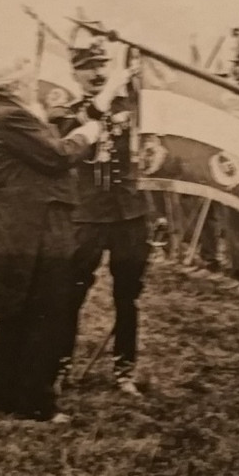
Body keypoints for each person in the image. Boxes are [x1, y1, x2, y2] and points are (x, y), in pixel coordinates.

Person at [0, 57, 108, 423]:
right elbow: (57, 156)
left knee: (18, 314)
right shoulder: (10, 117)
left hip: (20, 229)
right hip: (34, 230)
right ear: (16, 86)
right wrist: (89, 132)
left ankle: (5, 396)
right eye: (32, 82)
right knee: (45, 314)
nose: (37, 88)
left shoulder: (0, 114)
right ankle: (35, 402)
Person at [60, 42, 151, 395]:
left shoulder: (133, 107)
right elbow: (69, 141)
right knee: (71, 292)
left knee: (128, 295)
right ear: (74, 73)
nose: (97, 73)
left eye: (102, 66)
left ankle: (124, 369)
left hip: (130, 214)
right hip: (87, 215)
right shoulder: (69, 112)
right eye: (88, 67)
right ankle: (60, 364)